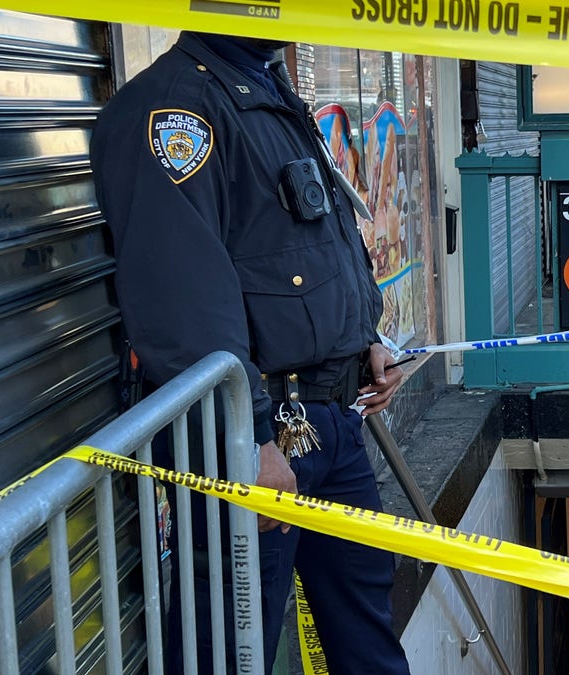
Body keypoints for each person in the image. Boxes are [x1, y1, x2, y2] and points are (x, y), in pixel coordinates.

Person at [90, 32, 410, 674]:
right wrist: (247, 441)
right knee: (231, 650)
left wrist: (365, 340)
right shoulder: (174, 110)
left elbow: (296, 246)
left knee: (366, 640)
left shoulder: (263, 84)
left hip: (327, 423)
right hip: (254, 438)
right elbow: (182, 300)